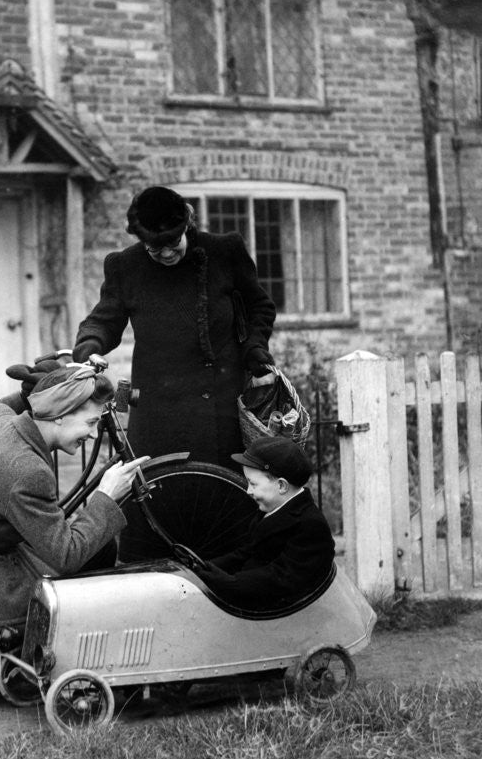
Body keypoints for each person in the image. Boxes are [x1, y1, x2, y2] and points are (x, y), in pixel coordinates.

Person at [0, 365, 149, 704]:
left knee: (97, 548)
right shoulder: (27, 471)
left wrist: (44, 384)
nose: (93, 435)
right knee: (83, 568)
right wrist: (106, 496)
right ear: (58, 417)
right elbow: (67, 554)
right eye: (90, 423)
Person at [72, 185, 276, 469]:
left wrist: (254, 347)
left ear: (186, 226)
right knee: (159, 494)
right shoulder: (126, 267)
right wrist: (90, 347)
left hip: (221, 405)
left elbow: (260, 307)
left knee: (226, 495)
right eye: (155, 248)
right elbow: (104, 319)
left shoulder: (223, 251)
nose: (167, 254)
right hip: (160, 409)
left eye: (173, 243)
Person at [193, 435, 335, 612]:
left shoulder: (311, 526)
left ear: (281, 486)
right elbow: (247, 553)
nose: (248, 491)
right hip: (254, 594)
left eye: (253, 484)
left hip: (282, 611)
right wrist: (206, 567)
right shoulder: (270, 510)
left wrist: (230, 583)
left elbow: (281, 578)